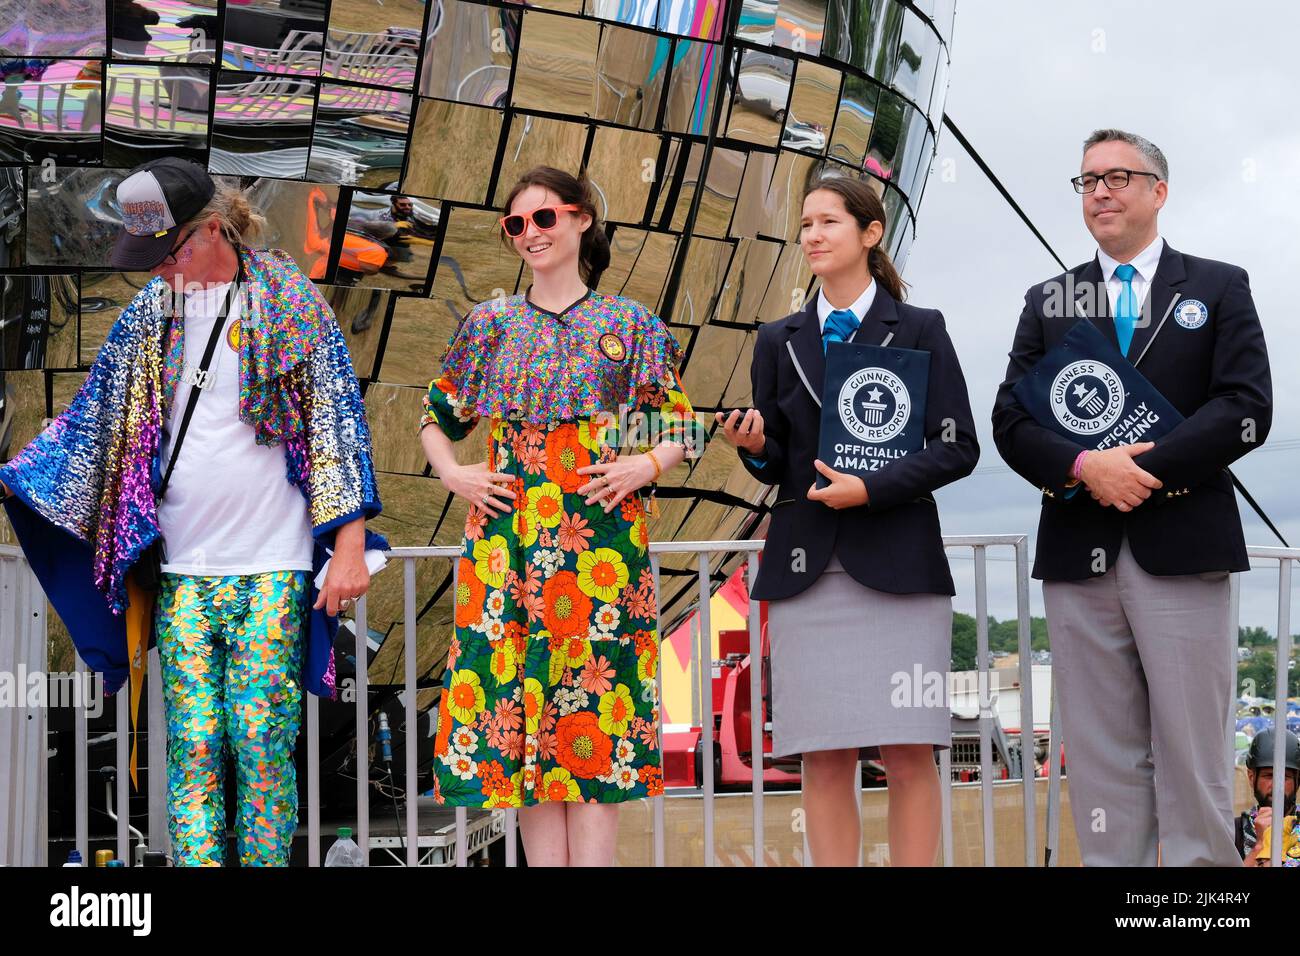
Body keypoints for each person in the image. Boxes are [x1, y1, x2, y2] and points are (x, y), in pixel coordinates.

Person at [0, 157, 384, 866]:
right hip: (184, 572)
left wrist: (352, 546)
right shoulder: (151, 314)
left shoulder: (289, 301)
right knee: (194, 746)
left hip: (273, 566)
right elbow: (96, 423)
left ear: (212, 229)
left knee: (261, 740)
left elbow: (335, 422)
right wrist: (23, 478)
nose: (156, 272)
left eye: (165, 254)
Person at [992, 129, 1272, 866]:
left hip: (1183, 545)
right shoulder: (1049, 300)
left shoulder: (1217, 285)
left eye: (1117, 177)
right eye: (1086, 182)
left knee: (1192, 753)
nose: (1100, 192)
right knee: (1102, 758)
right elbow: (1010, 421)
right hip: (1080, 553)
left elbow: (1246, 405)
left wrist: (1138, 469)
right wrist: (1087, 465)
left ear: (1159, 190)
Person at [418, 165, 707, 866]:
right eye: (515, 224)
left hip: (600, 554)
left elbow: (683, 428)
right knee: (522, 742)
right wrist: (457, 474)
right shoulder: (490, 324)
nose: (530, 235)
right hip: (506, 553)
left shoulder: (630, 325)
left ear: (581, 220)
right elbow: (435, 418)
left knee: (593, 742)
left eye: (543, 218)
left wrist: (644, 465)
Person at [715, 175, 979, 866]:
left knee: (909, 749)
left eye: (828, 222)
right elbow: (779, 462)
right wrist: (753, 446)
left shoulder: (922, 328)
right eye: (805, 224)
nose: (811, 236)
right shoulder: (778, 338)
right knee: (821, 753)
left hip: (898, 565)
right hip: (806, 572)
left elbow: (958, 445)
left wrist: (873, 489)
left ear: (871, 233)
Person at [1238, 728, 1300, 866]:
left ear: (1298, 780)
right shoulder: (1234, 831)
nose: (1277, 785)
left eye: (1285, 777)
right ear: (1251, 777)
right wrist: (1260, 845)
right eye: (1268, 776)